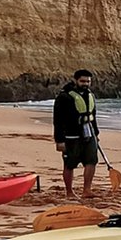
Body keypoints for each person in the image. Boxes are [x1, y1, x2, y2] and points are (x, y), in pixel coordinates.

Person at [53, 69, 99, 199]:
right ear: (76, 80)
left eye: (88, 81)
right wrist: (59, 140)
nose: (85, 84)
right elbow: (57, 120)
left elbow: (93, 116)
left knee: (91, 161)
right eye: (82, 81)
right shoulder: (64, 97)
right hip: (71, 136)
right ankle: (69, 192)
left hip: (89, 134)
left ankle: (87, 190)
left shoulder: (90, 95)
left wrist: (96, 133)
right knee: (70, 164)